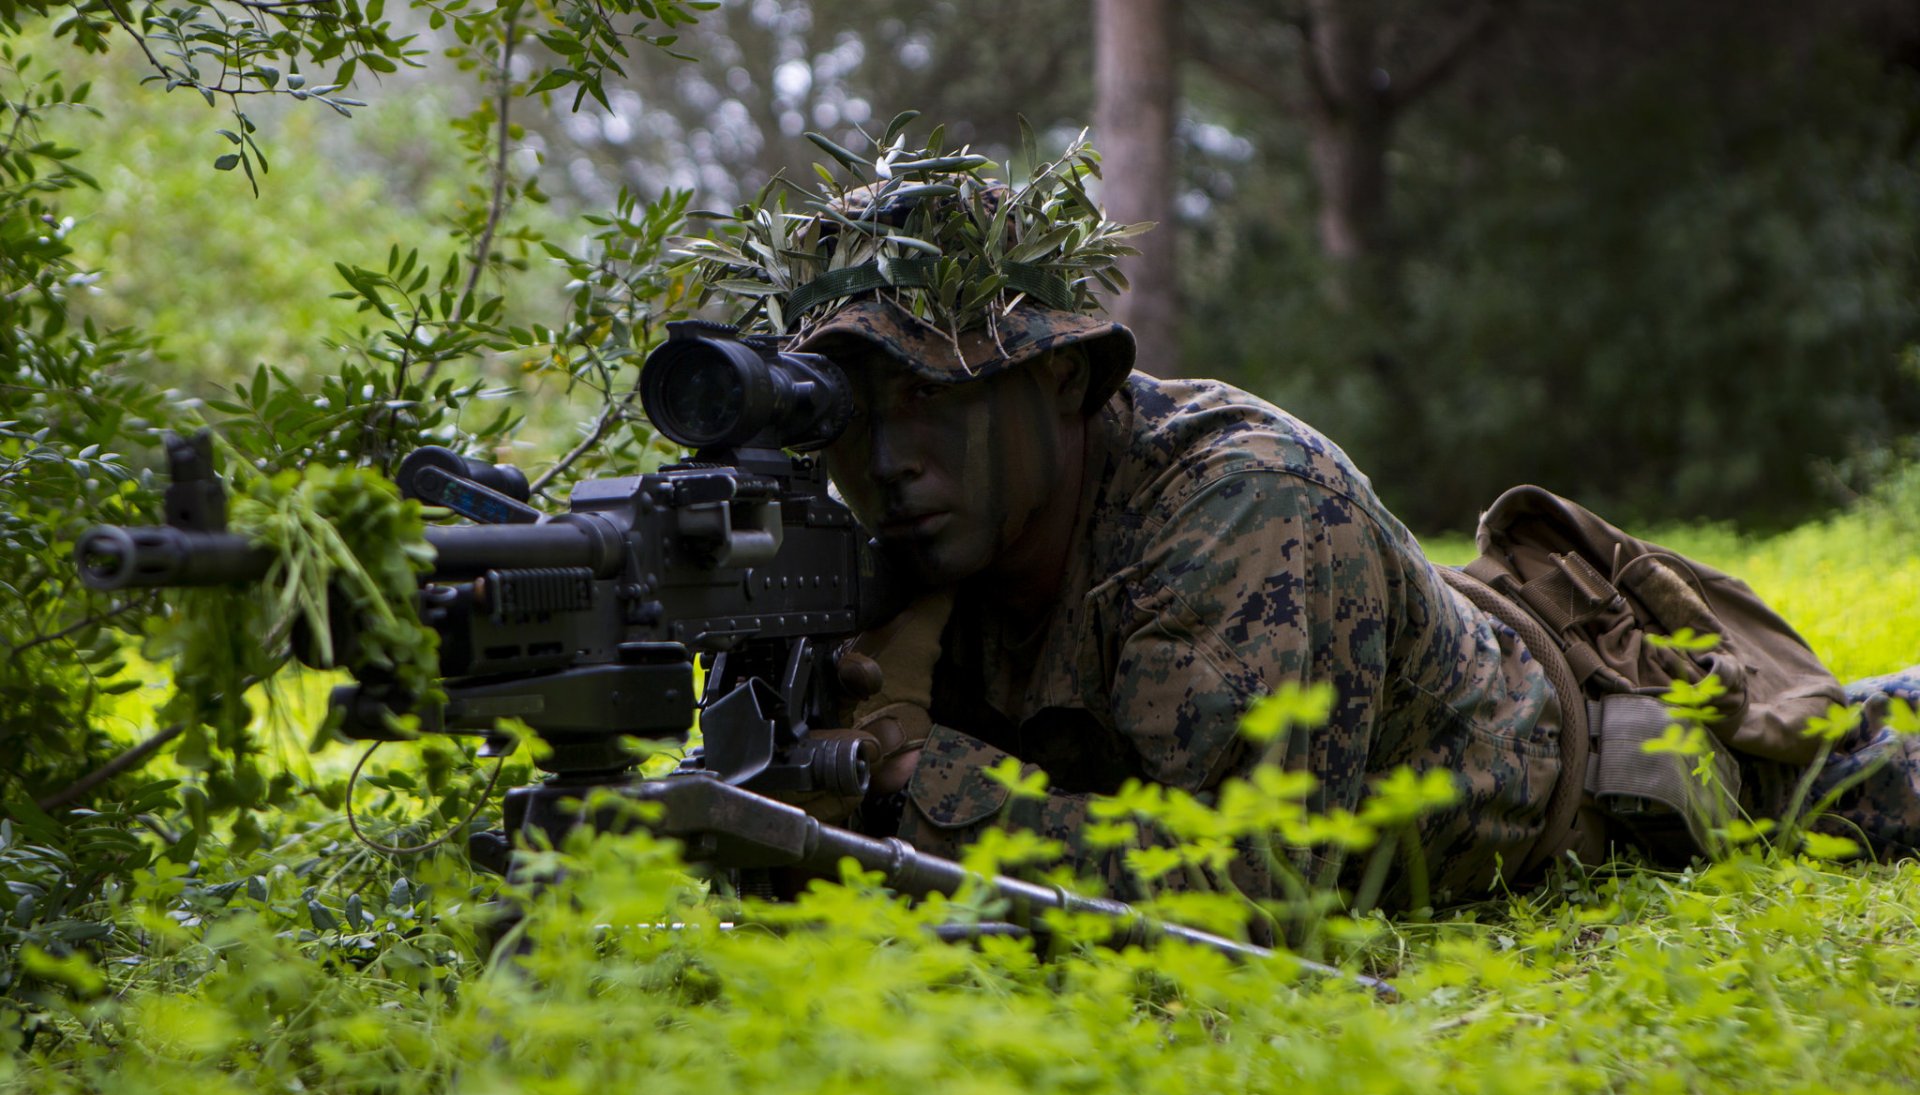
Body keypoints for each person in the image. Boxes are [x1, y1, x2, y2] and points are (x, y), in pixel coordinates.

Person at [681, 125, 1920, 918]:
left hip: (1611, 763)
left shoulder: (1240, 497)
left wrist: (905, 771)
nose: (888, 460)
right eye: (850, 413)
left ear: (1062, 381)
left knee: (1867, 764)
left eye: (934, 400)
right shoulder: (889, 549)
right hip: (1392, 673)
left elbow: (1242, 896)